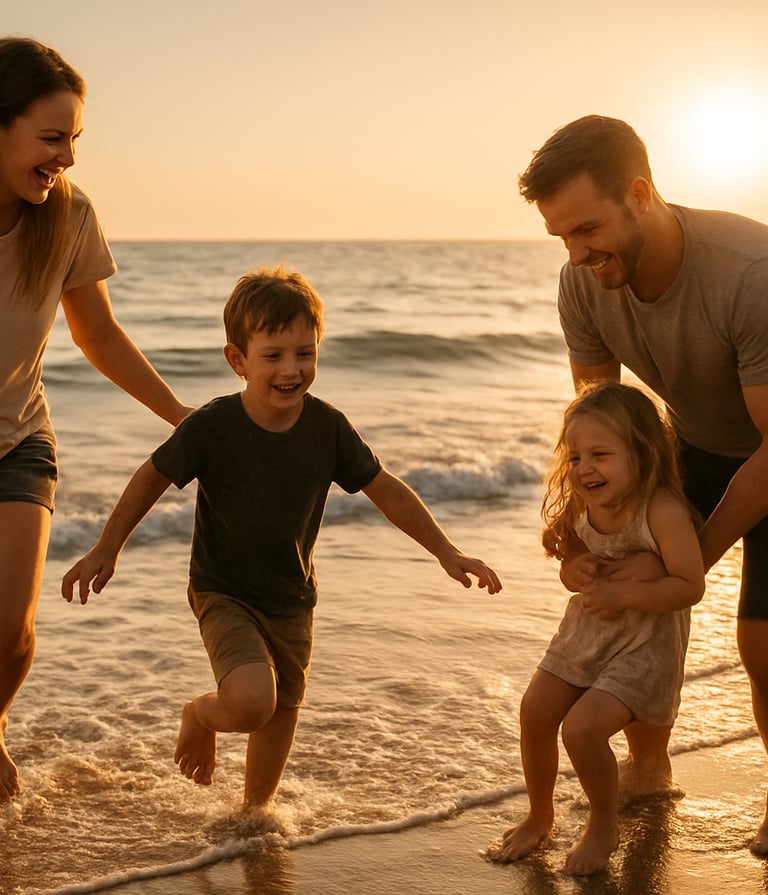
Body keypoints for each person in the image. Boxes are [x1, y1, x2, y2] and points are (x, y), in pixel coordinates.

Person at [61, 266, 502, 812]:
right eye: (273, 355)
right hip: (223, 589)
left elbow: (385, 490)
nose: (292, 370)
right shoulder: (212, 426)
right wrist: (108, 546)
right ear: (238, 360)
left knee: (282, 708)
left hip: (292, 597)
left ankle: (253, 817)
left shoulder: (327, 428)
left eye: (305, 353)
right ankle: (200, 713)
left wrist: (446, 551)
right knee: (250, 703)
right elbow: (150, 477)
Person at [517, 113, 768, 855]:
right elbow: (600, 427)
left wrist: (683, 556)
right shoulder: (582, 284)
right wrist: (580, 532)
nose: (576, 252)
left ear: (640, 193)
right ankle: (648, 760)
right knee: (632, 596)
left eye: (588, 228)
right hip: (693, 440)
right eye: (562, 236)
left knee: (761, 641)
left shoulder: (747, 273)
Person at [0, 37, 191, 806]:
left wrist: (184, 417)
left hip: (19, 436)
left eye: (74, 138)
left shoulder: (67, 217)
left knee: (10, 632)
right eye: (52, 138)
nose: (67, 158)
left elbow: (98, 335)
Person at [487, 382, 704, 875]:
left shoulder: (662, 511)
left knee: (582, 731)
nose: (585, 468)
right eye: (576, 456)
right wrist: (575, 570)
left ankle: (603, 824)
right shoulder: (582, 506)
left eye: (600, 455)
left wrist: (626, 593)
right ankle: (539, 815)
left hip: (644, 647)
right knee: (535, 710)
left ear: (643, 454)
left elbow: (690, 585)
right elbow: (569, 558)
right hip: (586, 635)